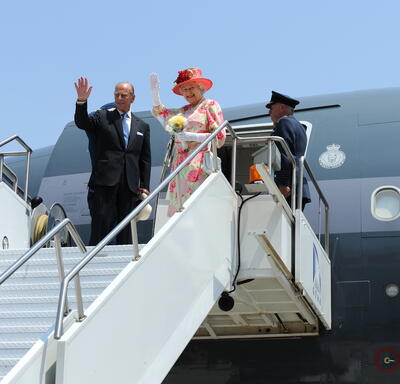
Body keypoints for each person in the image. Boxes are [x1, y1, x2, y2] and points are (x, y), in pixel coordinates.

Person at [74, 77, 151, 245]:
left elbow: (145, 158)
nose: (120, 98)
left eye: (124, 95)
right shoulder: (102, 117)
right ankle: (94, 261)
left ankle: (126, 263)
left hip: (130, 185)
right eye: (117, 95)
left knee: (126, 228)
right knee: (101, 224)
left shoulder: (142, 126)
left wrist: (144, 185)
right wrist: (81, 101)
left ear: (133, 98)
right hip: (105, 181)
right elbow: (82, 123)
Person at [150, 68, 226, 216]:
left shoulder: (210, 105)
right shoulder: (183, 110)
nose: (188, 92)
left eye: (191, 88)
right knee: (180, 211)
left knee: (197, 208)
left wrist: (193, 137)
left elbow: (220, 136)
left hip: (199, 162)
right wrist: (155, 95)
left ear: (201, 88)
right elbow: (163, 116)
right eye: (184, 89)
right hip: (180, 164)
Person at [266, 91, 310, 210]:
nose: (269, 112)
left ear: (281, 107)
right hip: (297, 186)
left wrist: (283, 184)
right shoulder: (299, 126)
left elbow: (284, 154)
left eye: (271, 107)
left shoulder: (284, 122)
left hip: (289, 187)